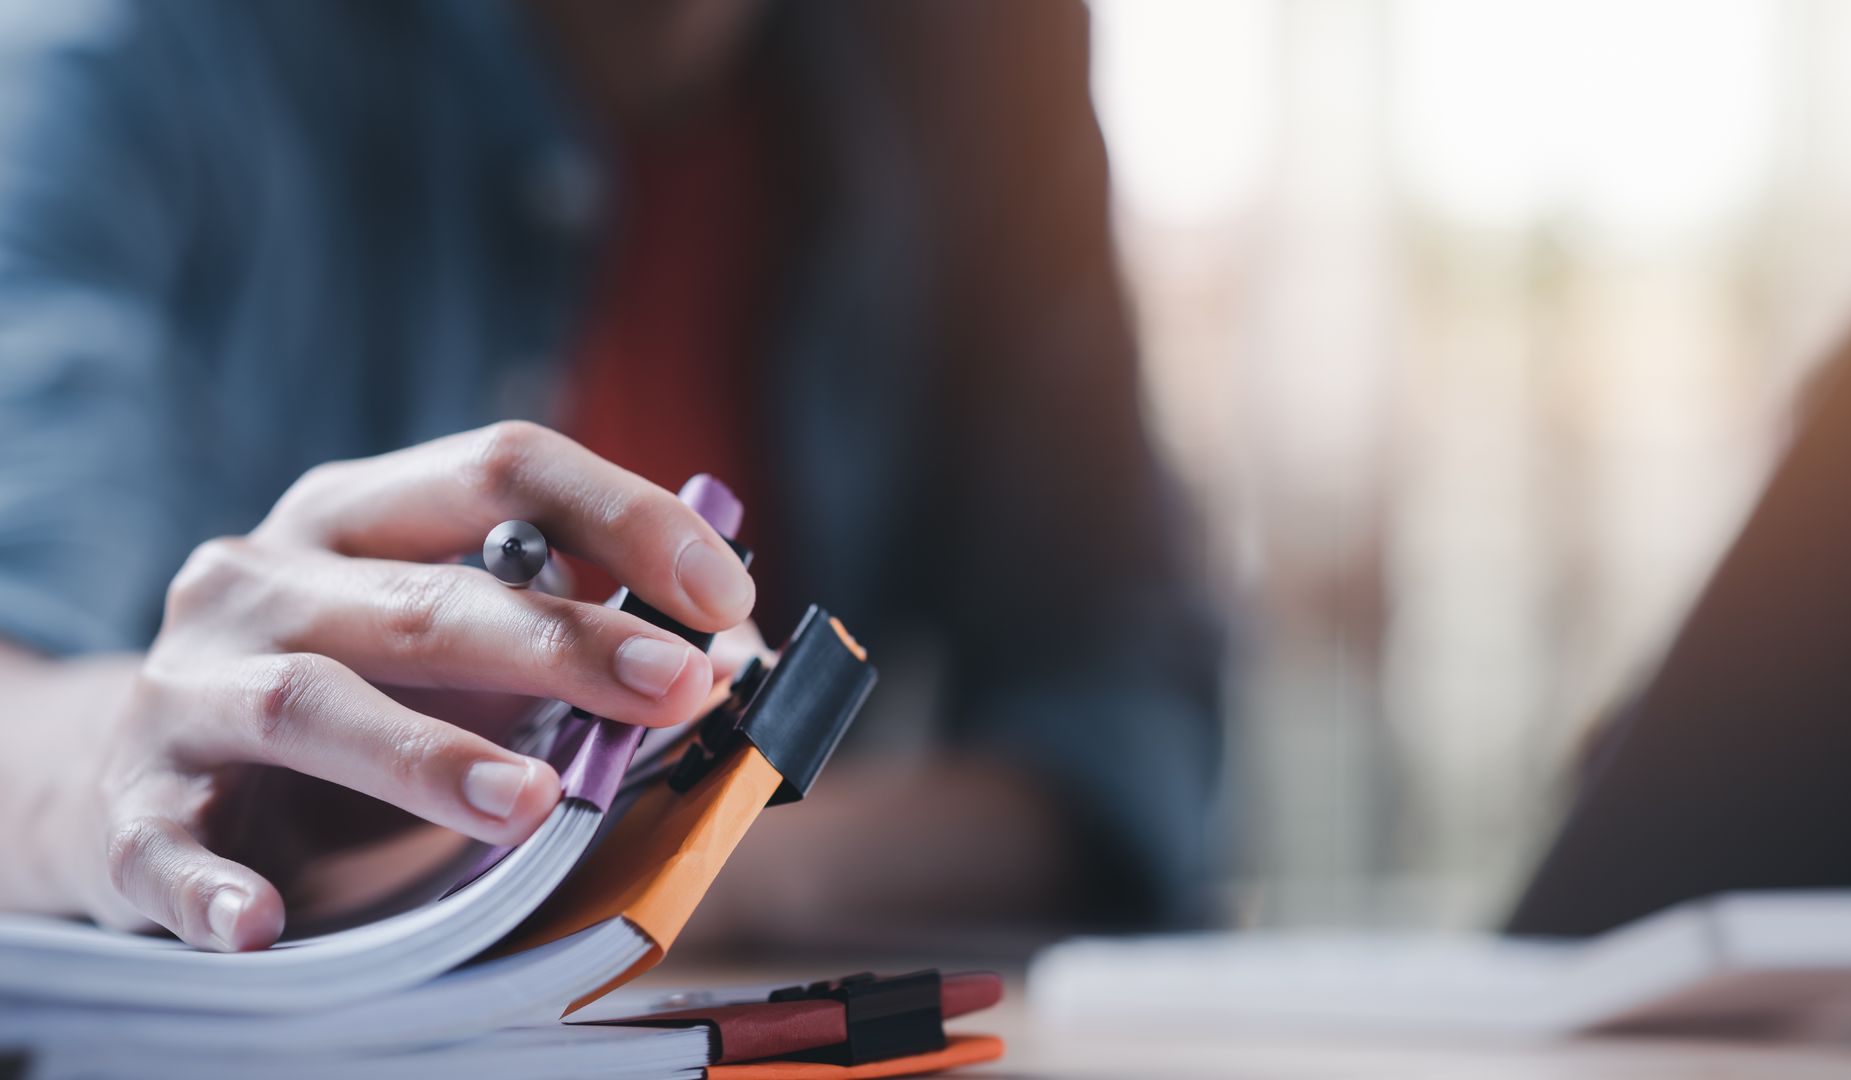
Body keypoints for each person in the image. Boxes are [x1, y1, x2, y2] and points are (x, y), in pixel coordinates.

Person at [0, 0, 1221, 951]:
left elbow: (1123, 714)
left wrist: (682, 859)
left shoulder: (982, 51)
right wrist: (136, 769)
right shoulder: (142, 45)